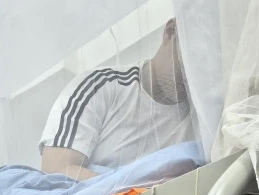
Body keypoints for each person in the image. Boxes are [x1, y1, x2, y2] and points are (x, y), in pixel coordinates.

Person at [39, 18, 194, 180]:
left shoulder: (201, 116)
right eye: (193, 56)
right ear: (171, 31)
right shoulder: (96, 86)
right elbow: (56, 170)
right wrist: (132, 191)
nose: (192, 74)